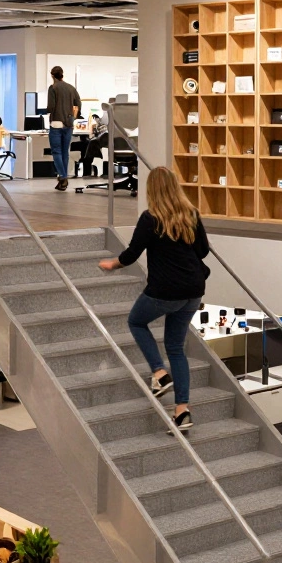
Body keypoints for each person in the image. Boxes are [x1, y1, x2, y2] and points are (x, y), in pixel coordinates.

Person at [98, 168, 209, 432]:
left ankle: (159, 373)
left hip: (165, 291)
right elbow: (202, 251)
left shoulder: (150, 218)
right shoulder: (191, 214)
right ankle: (182, 410)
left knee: (136, 322)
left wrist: (112, 264)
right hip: (193, 291)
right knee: (175, 347)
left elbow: (131, 254)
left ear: (152, 190)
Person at [46, 66, 80, 190]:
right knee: (65, 152)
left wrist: (46, 111)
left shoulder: (53, 88)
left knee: (56, 151)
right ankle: (62, 180)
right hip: (69, 124)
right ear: (62, 75)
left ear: (52, 76)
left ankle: (63, 176)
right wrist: (73, 117)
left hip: (56, 123)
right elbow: (78, 103)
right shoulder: (71, 88)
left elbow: (51, 107)